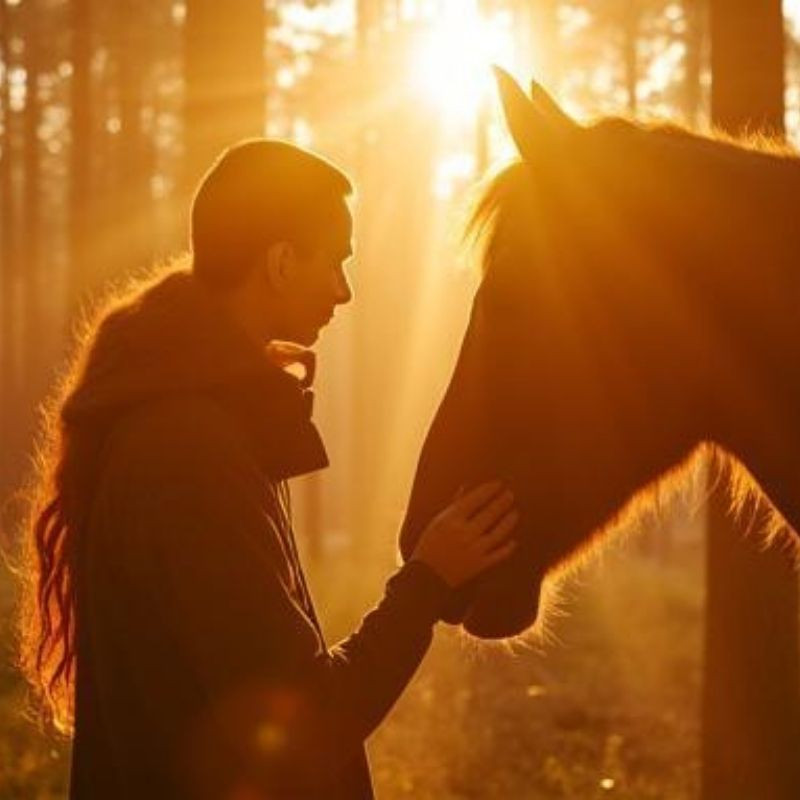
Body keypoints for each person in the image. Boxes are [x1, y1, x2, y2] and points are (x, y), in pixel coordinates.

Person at [19, 139, 519, 798]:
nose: (344, 291)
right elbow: (307, 726)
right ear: (282, 262)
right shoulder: (189, 454)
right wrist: (427, 581)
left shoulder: (190, 425)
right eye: (335, 261)